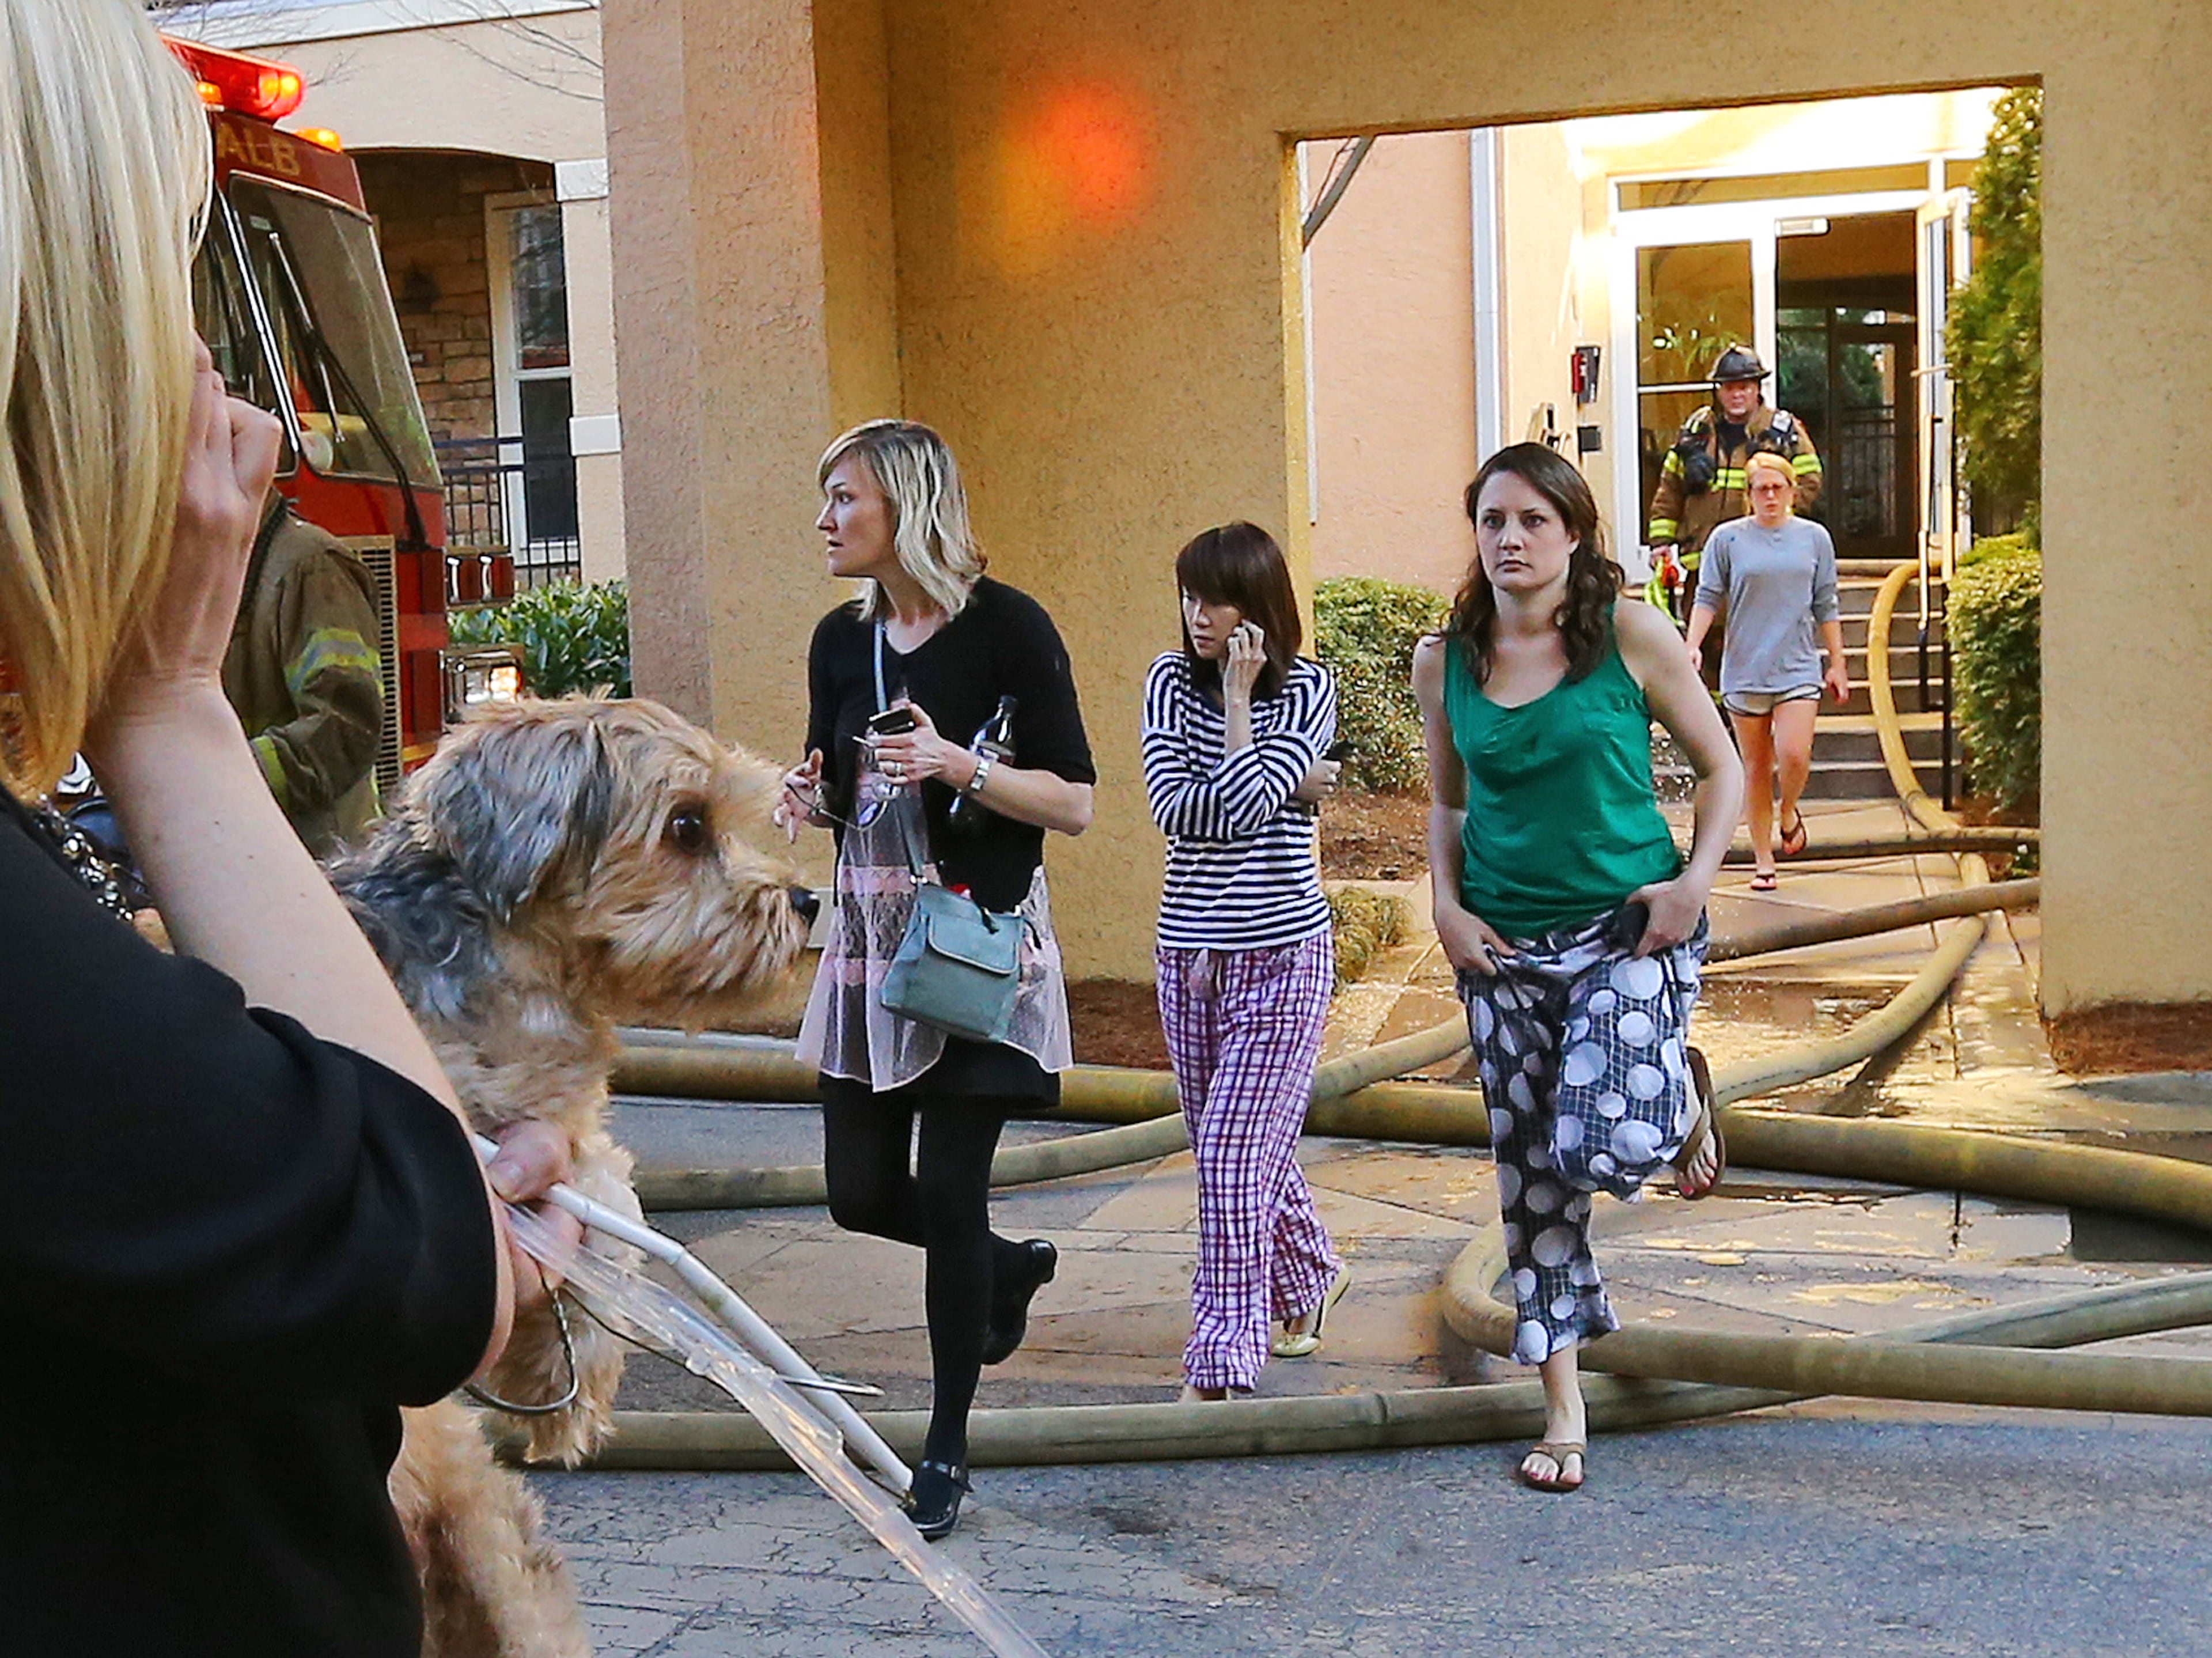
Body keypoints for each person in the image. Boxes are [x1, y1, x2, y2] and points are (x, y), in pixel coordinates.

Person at [0, 5, 570, 1652]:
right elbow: (412, 1261)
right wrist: (165, 702)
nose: (210, 391)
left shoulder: (308, 564)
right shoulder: (254, 600)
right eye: (157, 291)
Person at [776, 418, 1094, 1540]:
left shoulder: (1010, 628)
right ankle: (1005, 1269)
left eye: (844, 497)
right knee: (859, 1192)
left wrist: (962, 764)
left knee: (952, 1193)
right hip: (870, 946)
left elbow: (1075, 800)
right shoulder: (840, 640)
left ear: (904, 507)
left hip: (972, 942)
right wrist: (811, 792)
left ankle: (946, 1445)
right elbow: (842, 782)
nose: (825, 519)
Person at [1414, 443, 1744, 1494]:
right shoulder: (1445, 660)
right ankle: (1564, 1404)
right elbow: (1449, 802)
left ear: (1575, 534)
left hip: (1628, 927)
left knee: (1606, 1139)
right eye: (1492, 520)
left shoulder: (1631, 635)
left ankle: (1676, 1092)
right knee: (1537, 1181)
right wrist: (1447, 906)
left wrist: (1693, 882)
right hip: (1504, 949)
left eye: (1533, 521)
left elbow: (1721, 765)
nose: (1509, 539)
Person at [1141, 523, 1350, 1403]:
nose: (1199, 615)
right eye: (1190, 596)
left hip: (1283, 955)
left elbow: (1231, 807)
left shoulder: (1309, 687)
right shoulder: (1166, 681)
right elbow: (1176, 808)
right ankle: (1311, 1274)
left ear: (1258, 606)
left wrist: (1235, 708)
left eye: (1217, 600)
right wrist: (1283, 783)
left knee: (1231, 1157)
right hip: (1189, 954)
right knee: (1235, 1145)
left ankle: (1223, 1358)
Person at [1684, 451, 1850, 889]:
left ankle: (1789, 810)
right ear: (1749, 495)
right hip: (1746, 667)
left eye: (1778, 488)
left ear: (1792, 492)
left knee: (1794, 754)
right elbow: (1708, 595)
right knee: (1755, 767)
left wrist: (1838, 663)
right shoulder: (1727, 540)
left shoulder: (1814, 538)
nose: (1771, 496)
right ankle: (1764, 860)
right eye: (1762, 489)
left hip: (1797, 665)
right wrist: (1692, 646)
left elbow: (1826, 602)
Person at [223, 494, 388, 857]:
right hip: (242, 846)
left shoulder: (313, 568)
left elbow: (344, 728)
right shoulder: (213, 561)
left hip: (317, 859)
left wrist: (221, 779)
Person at [1645, 344, 1823, 622]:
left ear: (1757, 388)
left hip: (1762, 565)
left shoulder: (1783, 431)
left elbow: (1809, 482)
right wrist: (1661, 543)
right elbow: (1670, 490)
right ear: (1718, 391)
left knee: (1758, 638)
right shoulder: (1697, 432)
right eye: (1729, 387)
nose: (1737, 394)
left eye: (1744, 387)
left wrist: (1776, 518)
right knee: (1703, 640)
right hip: (1703, 564)